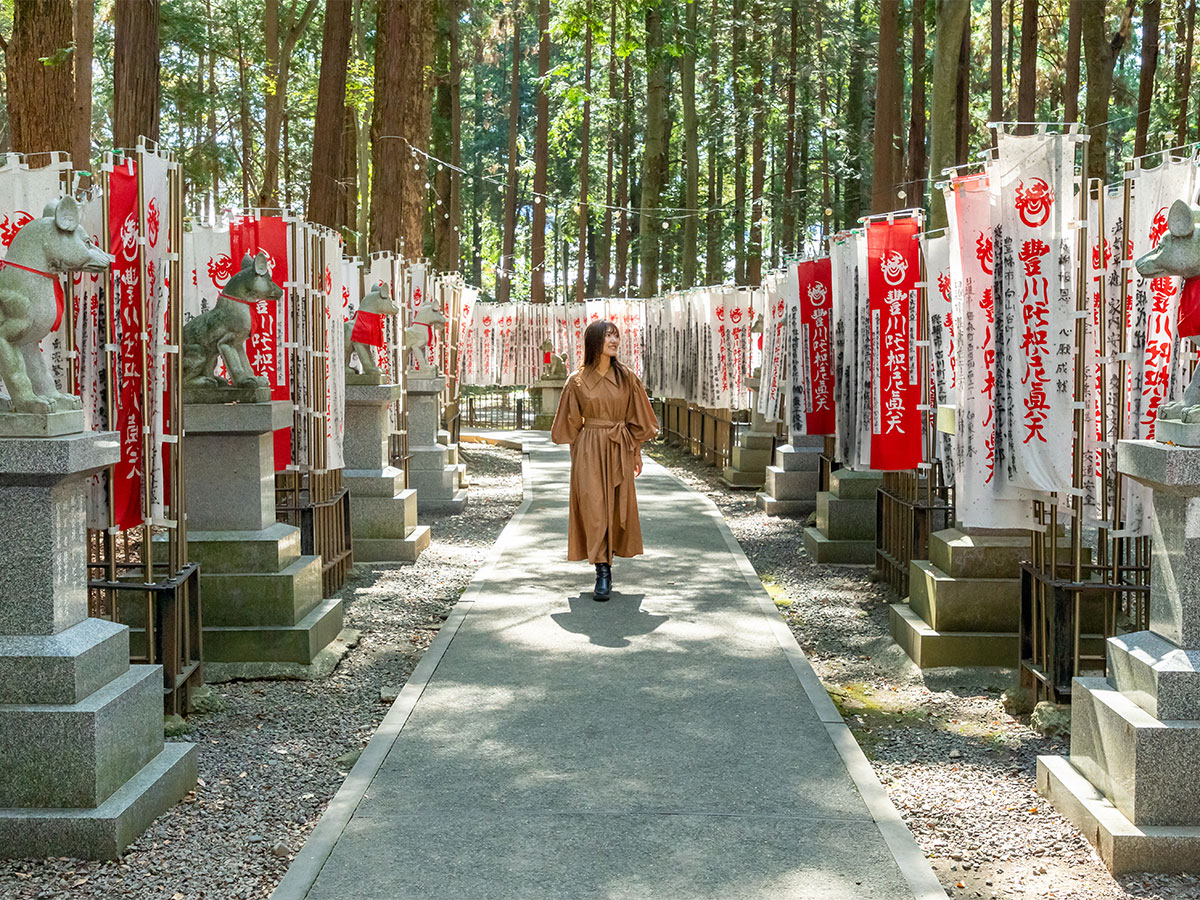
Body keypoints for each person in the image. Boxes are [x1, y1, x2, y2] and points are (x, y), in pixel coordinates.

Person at [550, 319, 658, 600]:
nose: (614, 340)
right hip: (589, 449)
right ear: (594, 341)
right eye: (608, 335)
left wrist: (635, 452)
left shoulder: (627, 377)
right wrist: (579, 454)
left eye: (616, 336)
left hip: (619, 447)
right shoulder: (576, 379)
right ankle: (602, 571)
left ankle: (607, 559)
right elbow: (569, 424)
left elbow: (639, 420)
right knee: (595, 508)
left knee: (615, 509)